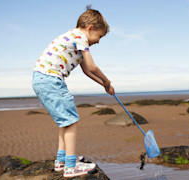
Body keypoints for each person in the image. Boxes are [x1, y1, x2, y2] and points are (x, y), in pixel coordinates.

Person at [31, 5, 115, 178]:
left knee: (65, 121)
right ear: (90, 28)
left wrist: (103, 85)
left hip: (42, 78)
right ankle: (70, 166)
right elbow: (92, 66)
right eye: (99, 36)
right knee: (71, 120)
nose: (98, 41)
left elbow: (86, 70)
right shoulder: (80, 36)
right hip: (51, 79)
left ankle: (61, 160)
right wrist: (107, 80)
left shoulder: (72, 36)